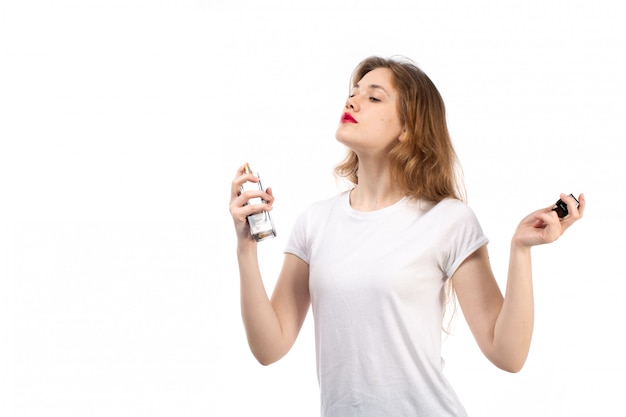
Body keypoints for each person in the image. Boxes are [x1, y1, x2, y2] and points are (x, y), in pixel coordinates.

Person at [228, 56, 585, 417]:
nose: (352, 102)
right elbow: (268, 347)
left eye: (374, 97)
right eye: (353, 93)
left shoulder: (448, 220)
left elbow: (508, 355)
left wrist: (520, 249)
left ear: (408, 129)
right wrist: (246, 248)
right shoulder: (315, 222)